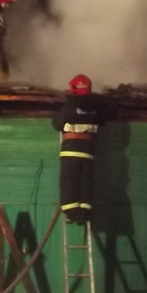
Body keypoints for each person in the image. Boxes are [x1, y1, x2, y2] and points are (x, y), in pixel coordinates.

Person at [52, 74, 103, 223]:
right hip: (88, 152)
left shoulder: (70, 106)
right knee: (86, 181)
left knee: (69, 180)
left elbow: (56, 124)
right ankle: (84, 214)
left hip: (71, 150)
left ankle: (71, 214)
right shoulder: (95, 108)